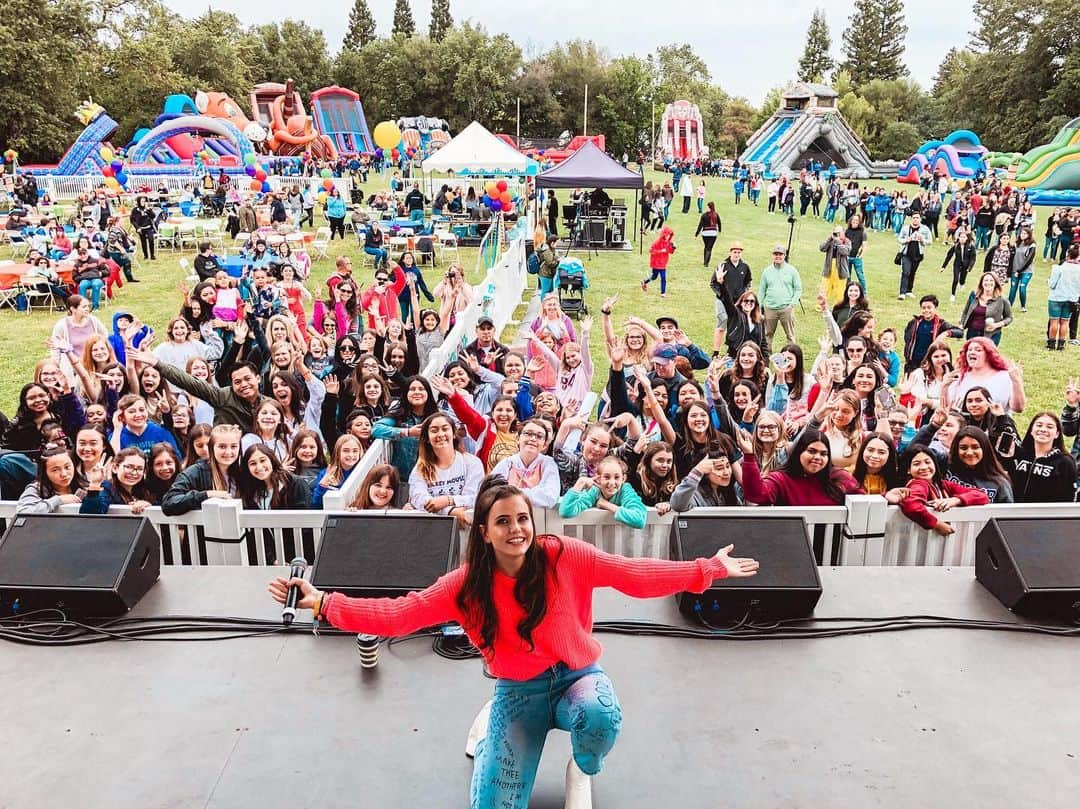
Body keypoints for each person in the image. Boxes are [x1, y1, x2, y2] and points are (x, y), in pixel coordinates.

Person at [268, 476, 758, 808]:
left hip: (575, 680)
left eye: (522, 518)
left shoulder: (563, 555)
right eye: (502, 521)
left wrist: (707, 570)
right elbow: (400, 613)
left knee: (601, 716)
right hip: (518, 694)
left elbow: (632, 573)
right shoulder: (463, 586)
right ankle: (489, 728)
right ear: (483, 531)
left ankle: (581, 771)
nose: (516, 529)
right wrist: (323, 603)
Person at [737, 428, 864, 505]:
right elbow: (757, 494)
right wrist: (749, 456)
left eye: (824, 454)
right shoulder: (781, 479)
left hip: (831, 546)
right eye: (812, 451)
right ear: (799, 452)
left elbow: (863, 501)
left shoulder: (839, 477)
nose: (818, 457)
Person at [407, 413, 485, 523]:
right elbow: (418, 499)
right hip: (432, 528)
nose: (440, 434)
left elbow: (474, 497)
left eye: (445, 429)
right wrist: (450, 511)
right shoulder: (420, 469)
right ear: (428, 438)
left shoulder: (472, 463)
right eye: (434, 431)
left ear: (453, 433)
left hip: (466, 528)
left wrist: (447, 500)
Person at [896, 445, 989, 535]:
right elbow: (912, 506)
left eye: (928, 462)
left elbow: (982, 495)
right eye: (917, 464)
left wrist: (955, 500)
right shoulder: (918, 484)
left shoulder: (943, 484)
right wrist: (937, 524)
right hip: (922, 539)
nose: (924, 467)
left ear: (935, 464)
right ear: (908, 469)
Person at [161, 424, 242, 515]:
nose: (228, 452)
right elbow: (168, 503)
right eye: (222, 446)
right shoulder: (195, 472)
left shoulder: (242, 473)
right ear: (212, 448)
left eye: (234, 446)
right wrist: (207, 495)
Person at [1008, 412, 1078, 502]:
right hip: (1014, 513)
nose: (1043, 430)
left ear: (1057, 434)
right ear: (1031, 431)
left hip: (1047, 514)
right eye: (1039, 425)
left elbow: (1069, 495)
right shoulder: (1019, 455)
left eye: (1049, 427)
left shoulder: (1065, 461)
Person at [946, 426, 1014, 503]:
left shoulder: (1000, 483)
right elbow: (929, 455)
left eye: (975, 447)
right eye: (963, 448)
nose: (969, 453)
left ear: (985, 449)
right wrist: (933, 427)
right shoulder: (945, 466)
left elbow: (1006, 512)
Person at [709, 242, 752, 355]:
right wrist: (721, 295)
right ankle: (716, 352)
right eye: (734, 252)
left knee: (738, 325)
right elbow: (713, 283)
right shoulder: (722, 265)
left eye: (739, 252)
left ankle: (735, 350)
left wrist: (745, 295)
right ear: (730, 252)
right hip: (723, 301)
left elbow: (748, 283)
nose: (736, 254)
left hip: (738, 302)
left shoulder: (745, 267)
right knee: (722, 324)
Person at [901, 296, 962, 374]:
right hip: (912, 363)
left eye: (929, 308)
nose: (926, 310)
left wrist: (945, 333)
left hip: (930, 363)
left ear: (935, 308)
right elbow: (907, 338)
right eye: (923, 308)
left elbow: (960, 332)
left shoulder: (941, 324)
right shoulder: (914, 322)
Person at [758, 245, 801, 352]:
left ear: (784, 255)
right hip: (770, 309)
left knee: (790, 335)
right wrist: (759, 306)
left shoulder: (792, 271)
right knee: (767, 334)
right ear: (773, 255)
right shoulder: (767, 271)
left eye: (780, 254)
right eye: (776, 254)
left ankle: (792, 356)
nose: (778, 256)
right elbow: (762, 290)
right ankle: (766, 356)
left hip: (786, 308)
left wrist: (791, 304)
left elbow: (798, 289)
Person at [959, 273, 1013, 345]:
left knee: (987, 355)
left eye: (991, 281)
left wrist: (996, 325)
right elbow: (966, 311)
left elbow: (1009, 318)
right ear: (981, 283)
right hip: (972, 333)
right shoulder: (974, 295)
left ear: (995, 283)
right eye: (986, 280)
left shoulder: (1002, 299)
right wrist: (961, 324)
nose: (988, 283)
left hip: (991, 335)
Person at [1047, 244, 1080, 351]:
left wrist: (1048, 281)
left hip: (1057, 297)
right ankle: (1061, 344)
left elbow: (1052, 284)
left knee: (1054, 321)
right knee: (1065, 321)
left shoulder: (1058, 268)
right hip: (1071, 299)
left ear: (1067, 255)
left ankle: (1051, 343)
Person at [940, 228, 977, 302]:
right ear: (958, 238)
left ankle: (962, 283)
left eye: (964, 237)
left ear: (967, 238)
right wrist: (943, 267)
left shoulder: (971, 247)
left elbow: (973, 258)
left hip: (965, 266)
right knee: (955, 279)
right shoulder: (956, 246)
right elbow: (949, 256)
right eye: (961, 237)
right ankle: (953, 294)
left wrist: (970, 267)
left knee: (962, 279)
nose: (962, 239)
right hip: (957, 264)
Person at [641, 226, 676, 297]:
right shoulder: (657, 242)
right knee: (654, 277)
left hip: (663, 264)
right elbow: (651, 250)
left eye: (669, 235)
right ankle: (644, 282)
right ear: (664, 235)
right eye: (667, 235)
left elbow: (670, 251)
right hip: (656, 263)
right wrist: (660, 251)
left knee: (663, 278)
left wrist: (673, 248)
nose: (668, 237)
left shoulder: (668, 242)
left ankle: (663, 293)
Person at [694, 202, 721, 267]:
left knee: (706, 247)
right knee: (709, 248)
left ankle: (705, 261)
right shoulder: (716, 215)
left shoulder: (704, 215)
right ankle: (706, 262)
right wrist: (719, 230)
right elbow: (719, 223)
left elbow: (700, 225)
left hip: (705, 233)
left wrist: (696, 234)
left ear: (709, 207)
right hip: (713, 233)